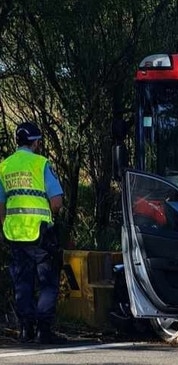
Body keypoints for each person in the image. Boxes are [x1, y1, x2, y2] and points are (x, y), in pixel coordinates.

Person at [0, 122, 65, 344]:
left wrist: (6, 224)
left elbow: (0, 204)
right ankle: (43, 330)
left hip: (14, 233)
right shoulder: (41, 163)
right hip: (40, 233)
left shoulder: (4, 166)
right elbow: (56, 202)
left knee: (22, 282)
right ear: (36, 142)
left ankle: (25, 330)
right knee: (47, 281)